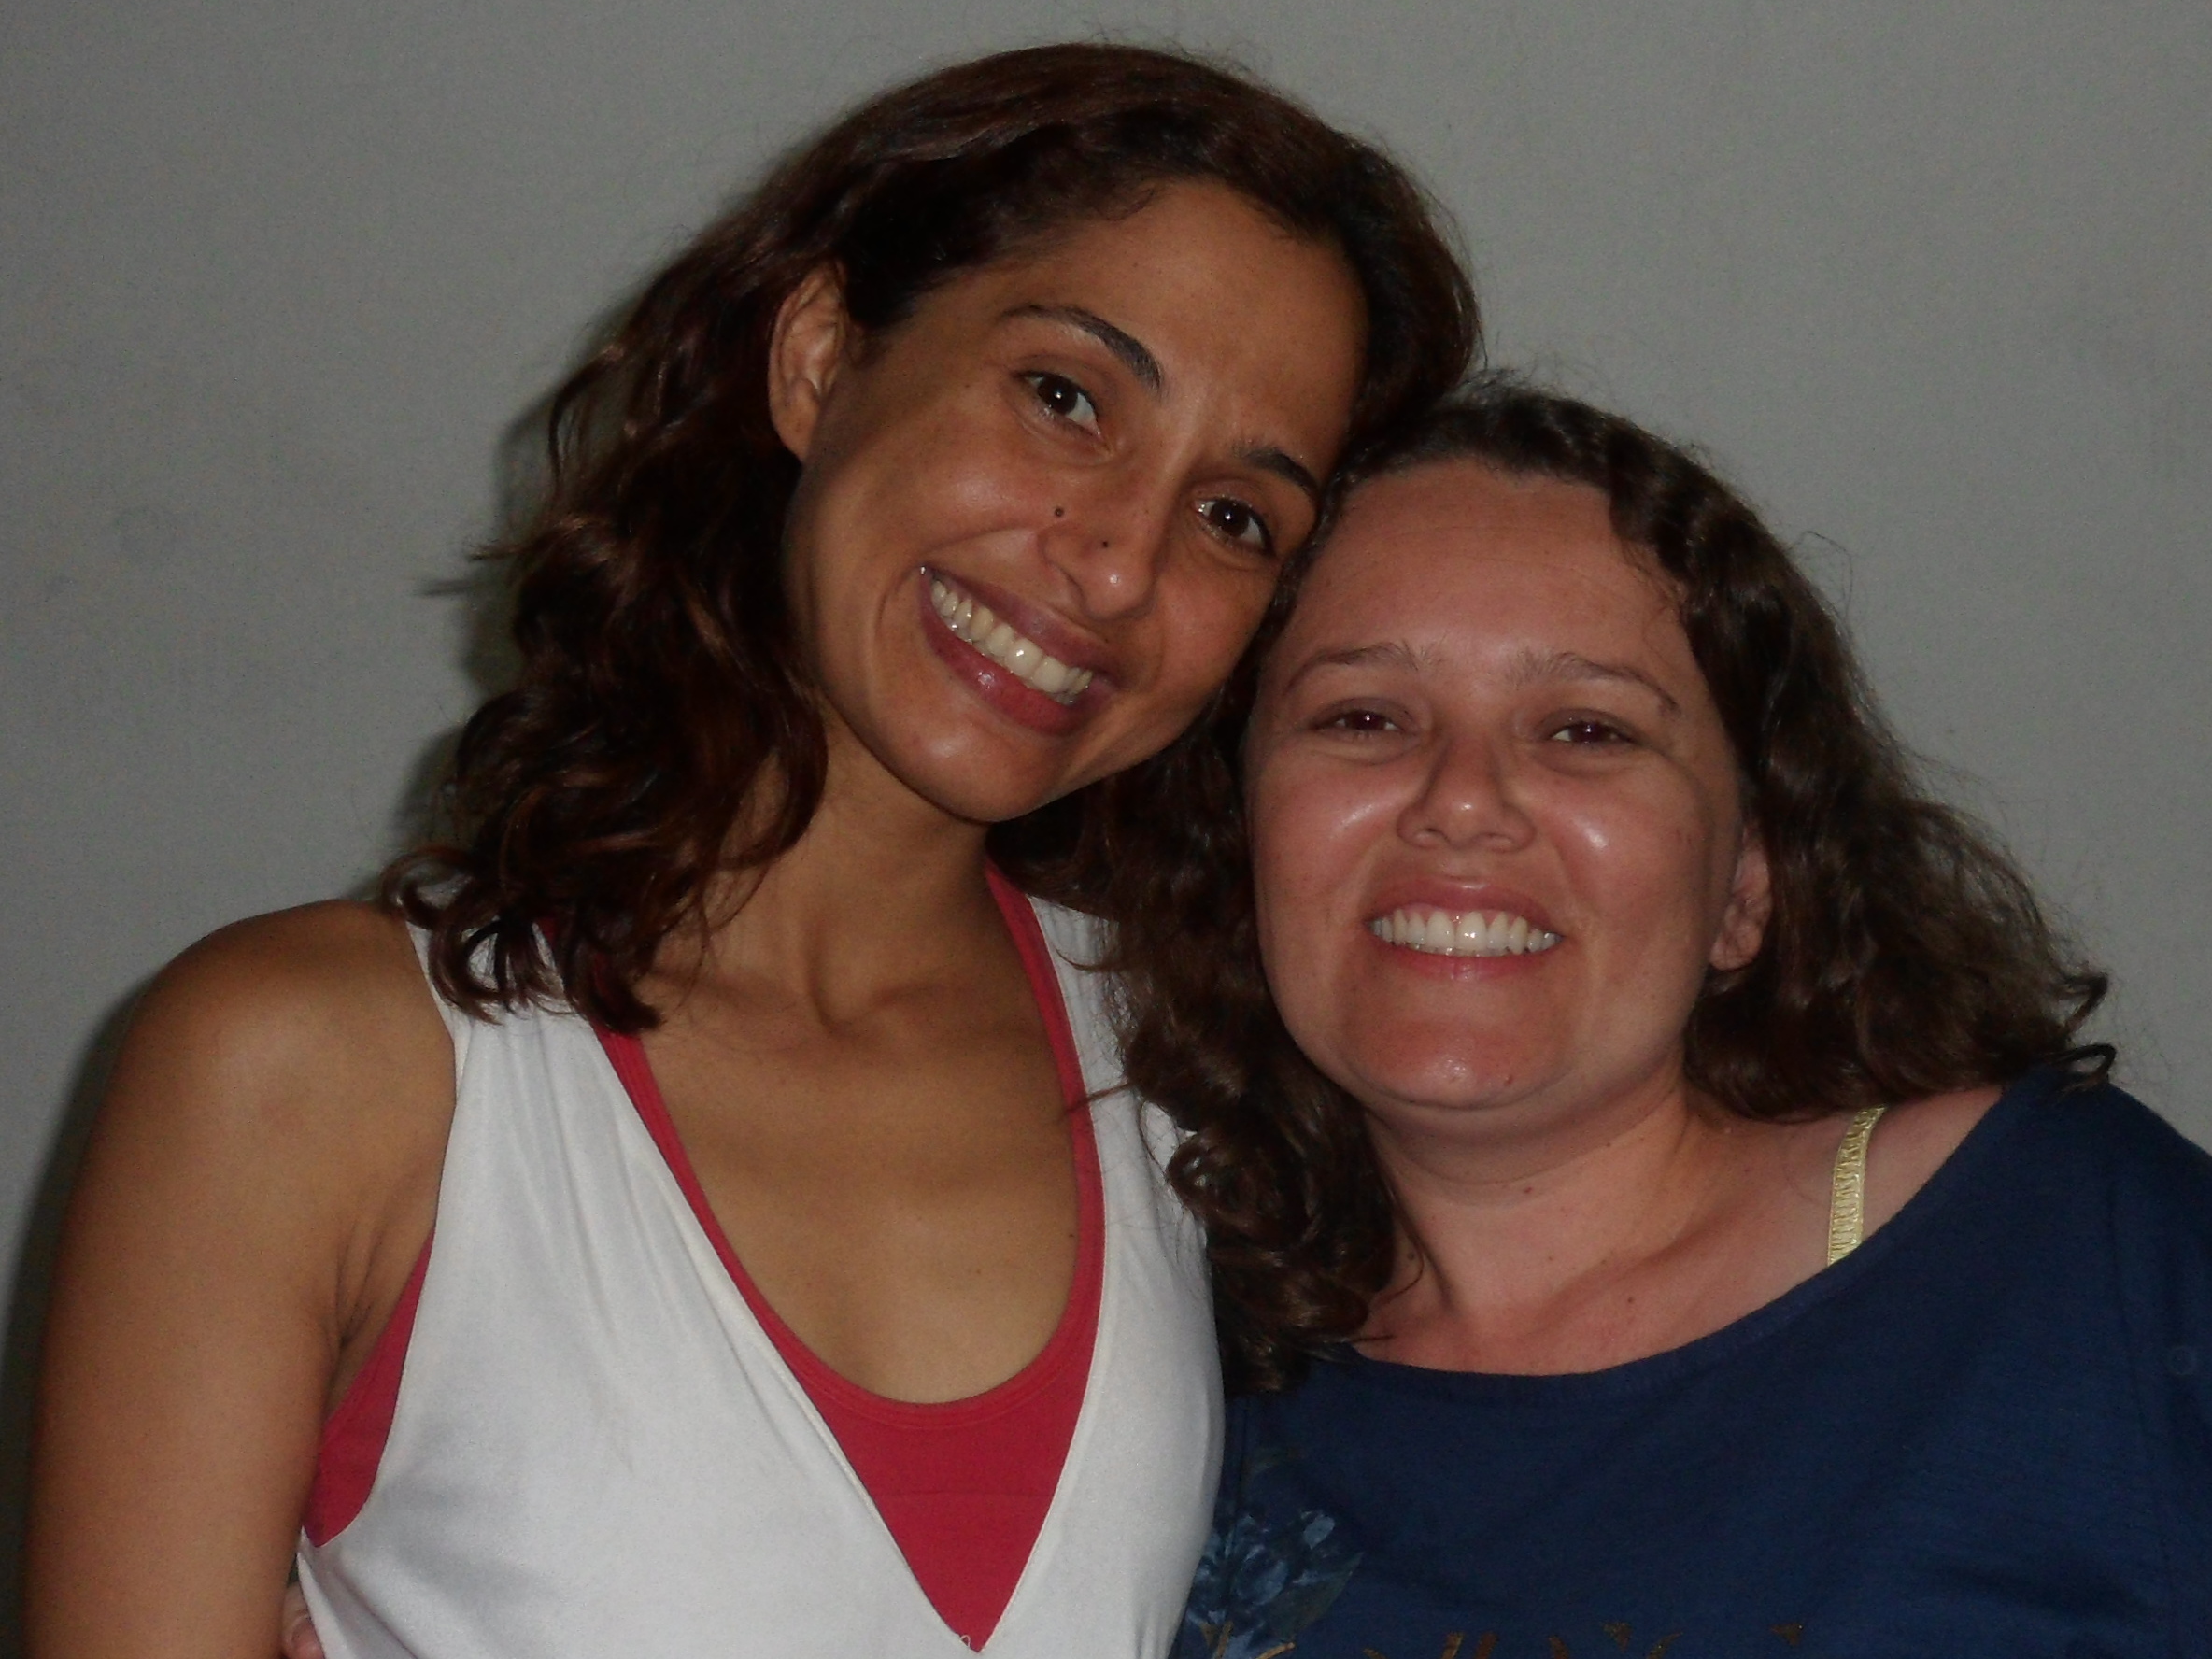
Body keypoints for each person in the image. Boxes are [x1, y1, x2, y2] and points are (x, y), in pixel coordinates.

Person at [25, 44, 1477, 1658]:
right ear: (820, 358)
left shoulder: (1211, 1080)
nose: (1123, 564)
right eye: (1066, 399)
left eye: (1235, 518)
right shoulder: (304, 1071)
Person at [1138, 383, 2212, 1656]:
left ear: (1748, 884)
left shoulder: (2079, 1257)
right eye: (1362, 717)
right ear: (1241, 836)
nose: (1461, 801)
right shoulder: (1161, 1389)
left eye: (1586, 730)